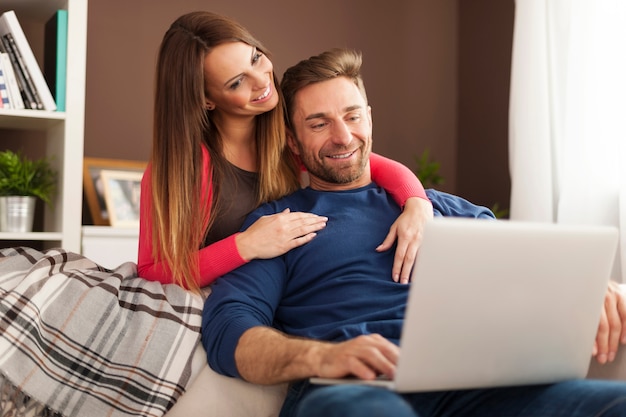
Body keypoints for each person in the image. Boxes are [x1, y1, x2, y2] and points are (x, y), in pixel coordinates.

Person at [201, 48, 626, 417]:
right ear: (293, 142)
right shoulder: (279, 225)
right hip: (355, 392)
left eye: (352, 116)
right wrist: (323, 356)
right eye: (318, 124)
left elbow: (529, 274)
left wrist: (593, 290)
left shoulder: (441, 209)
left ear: (369, 118)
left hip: (477, 392)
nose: (343, 135)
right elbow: (228, 331)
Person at [137, 11, 433, 293]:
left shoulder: (280, 138)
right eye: (237, 82)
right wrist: (245, 245)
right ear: (206, 100)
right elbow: (151, 272)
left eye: (256, 58)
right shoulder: (188, 166)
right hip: (228, 303)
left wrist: (417, 205)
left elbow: (365, 160)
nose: (262, 80)